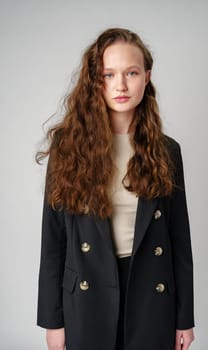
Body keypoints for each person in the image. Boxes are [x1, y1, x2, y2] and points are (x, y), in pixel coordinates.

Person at [36, 27, 195, 350]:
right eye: (108, 75)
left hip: (150, 291)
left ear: (147, 77)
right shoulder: (68, 147)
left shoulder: (167, 151)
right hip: (87, 290)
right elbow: (53, 242)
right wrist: (52, 321)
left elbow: (179, 240)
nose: (120, 85)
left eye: (131, 73)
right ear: (96, 80)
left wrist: (185, 319)